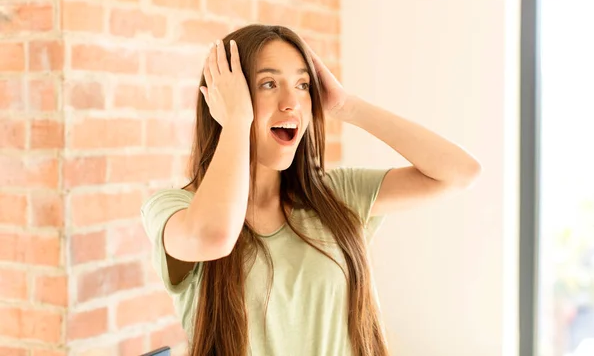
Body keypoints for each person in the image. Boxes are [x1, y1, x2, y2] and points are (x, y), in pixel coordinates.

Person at [140, 24, 481, 356]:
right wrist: (237, 120)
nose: (292, 102)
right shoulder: (175, 208)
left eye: (303, 85)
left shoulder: (335, 196)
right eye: (268, 83)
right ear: (227, 100)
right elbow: (213, 237)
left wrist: (347, 107)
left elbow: (460, 173)